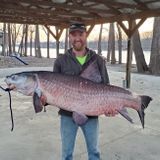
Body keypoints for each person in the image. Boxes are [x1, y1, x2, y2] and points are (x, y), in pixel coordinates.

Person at [53, 23, 111, 160]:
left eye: (80, 34)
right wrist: (43, 100)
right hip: (67, 115)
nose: (77, 38)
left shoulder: (97, 60)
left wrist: (109, 107)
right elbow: (52, 88)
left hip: (91, 114)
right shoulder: (61, 61)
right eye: (73, 35)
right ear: (69, 38)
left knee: (94, 152)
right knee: (66, 154)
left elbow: (106, 87)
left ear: (86, 36)